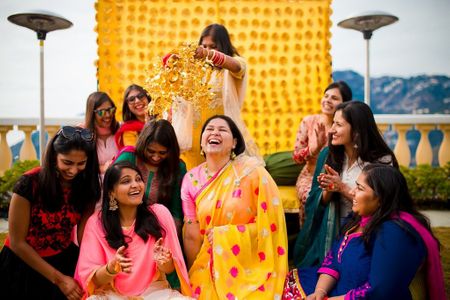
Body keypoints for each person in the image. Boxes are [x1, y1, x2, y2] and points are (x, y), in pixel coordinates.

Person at [283, 164, 446, 300]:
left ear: (381, 198)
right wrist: (319, 292)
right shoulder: (356, 219)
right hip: (332, 290)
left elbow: (379, 291)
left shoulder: (394, 234)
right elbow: (332, 259)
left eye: (360, 188)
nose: (352, 192)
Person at [182, 115, 288, 299]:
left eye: (222, 130)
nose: (215, 132)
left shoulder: (252, 172)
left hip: (248, 266)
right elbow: (192, 233)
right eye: (210, 129)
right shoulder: (191, 179)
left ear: (234, 143)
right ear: (201, 141)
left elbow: (271, 225)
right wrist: (193, 272)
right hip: (206, 266)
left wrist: (226, 235)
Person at [0, 126, 101, 299]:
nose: (73, 170)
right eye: (67, 162)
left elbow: (84, 235)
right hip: (22, 264)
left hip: (63, 260)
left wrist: (95, 266)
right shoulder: (29, 184)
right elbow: (17, 242)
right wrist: (60, 280)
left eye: (81, 163)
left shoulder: (87, 187)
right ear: (54, 156)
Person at [294, 101, 398, 268]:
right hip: (331, 232)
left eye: (339, 125)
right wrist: (329, 190)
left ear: (356, 131)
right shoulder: (328, 155)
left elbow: (384, 205)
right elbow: (315, 201)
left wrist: (342, 187)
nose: (332, 129)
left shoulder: (381, 160)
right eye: (333, 122)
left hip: (366, 233)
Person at [75, 161, 192, 299]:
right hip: (112, 294)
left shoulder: (160, 214)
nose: (135, 185)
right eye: (126, 181)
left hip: (155, 292)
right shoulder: (96, 223)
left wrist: (165, 263)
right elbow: (93, 280)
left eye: (138, 179)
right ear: (111, 193)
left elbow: (170, 269)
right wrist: (111, 268)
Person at [172, 23, 261, 170]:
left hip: (219, 137)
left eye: (213, 46)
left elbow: (237, 67)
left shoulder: (234, 65)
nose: (207, 50)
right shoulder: (195, 70)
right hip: (193, 139)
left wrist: (208, 54)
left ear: (223, 46)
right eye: (204, 46)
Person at [293, 81, 352, 225]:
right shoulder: (309, 122)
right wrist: (313, 149)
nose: (328, 100)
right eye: (326, 96)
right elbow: (296, 158)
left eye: (334, 98)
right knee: (312, 198)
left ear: (345, 104)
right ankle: (309, 239)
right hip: (310, 176)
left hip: (338, 176)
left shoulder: (345, 127)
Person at [114, 119, 186, 236]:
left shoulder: (177, 167)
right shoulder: (129, 157)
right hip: (122, 226)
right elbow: (111, 192)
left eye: (162, 153)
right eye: (151, 151)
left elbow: (176, 212)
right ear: (143, 144)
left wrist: (168, 240)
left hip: (159, 231)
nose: (156, 157)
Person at [84, 91, 119, 174]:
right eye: (101, 112)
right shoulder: (82, 134)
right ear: (92, 113)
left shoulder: (121, 131)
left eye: (110, 110)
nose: (107, 115)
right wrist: (103, 168)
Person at [115, 84, 151, 150]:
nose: (137, 101)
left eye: (141, 96)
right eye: (131, 99)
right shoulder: (128, 130)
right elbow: (136, 153)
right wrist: (148, 128)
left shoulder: (162, 118)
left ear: (147, 98)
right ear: (127, 106)